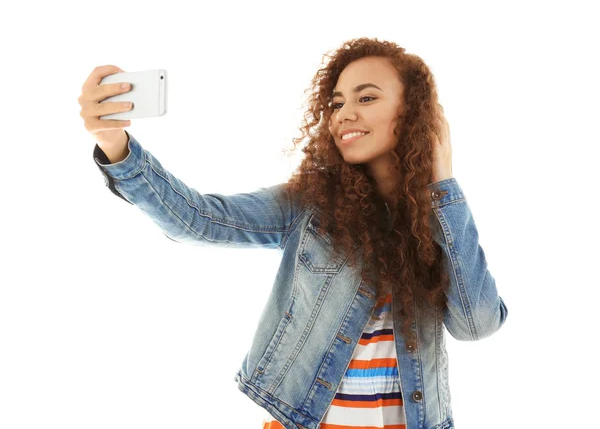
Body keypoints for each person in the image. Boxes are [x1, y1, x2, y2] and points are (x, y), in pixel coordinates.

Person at [78, 37, 508, 429]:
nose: (345, 115)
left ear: (414, 114)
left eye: (367, 97)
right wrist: (117, 146)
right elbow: (199, 219)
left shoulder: (438, 221)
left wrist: (444, 187)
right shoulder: (312, 204)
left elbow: (478, 324)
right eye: (337, 103)